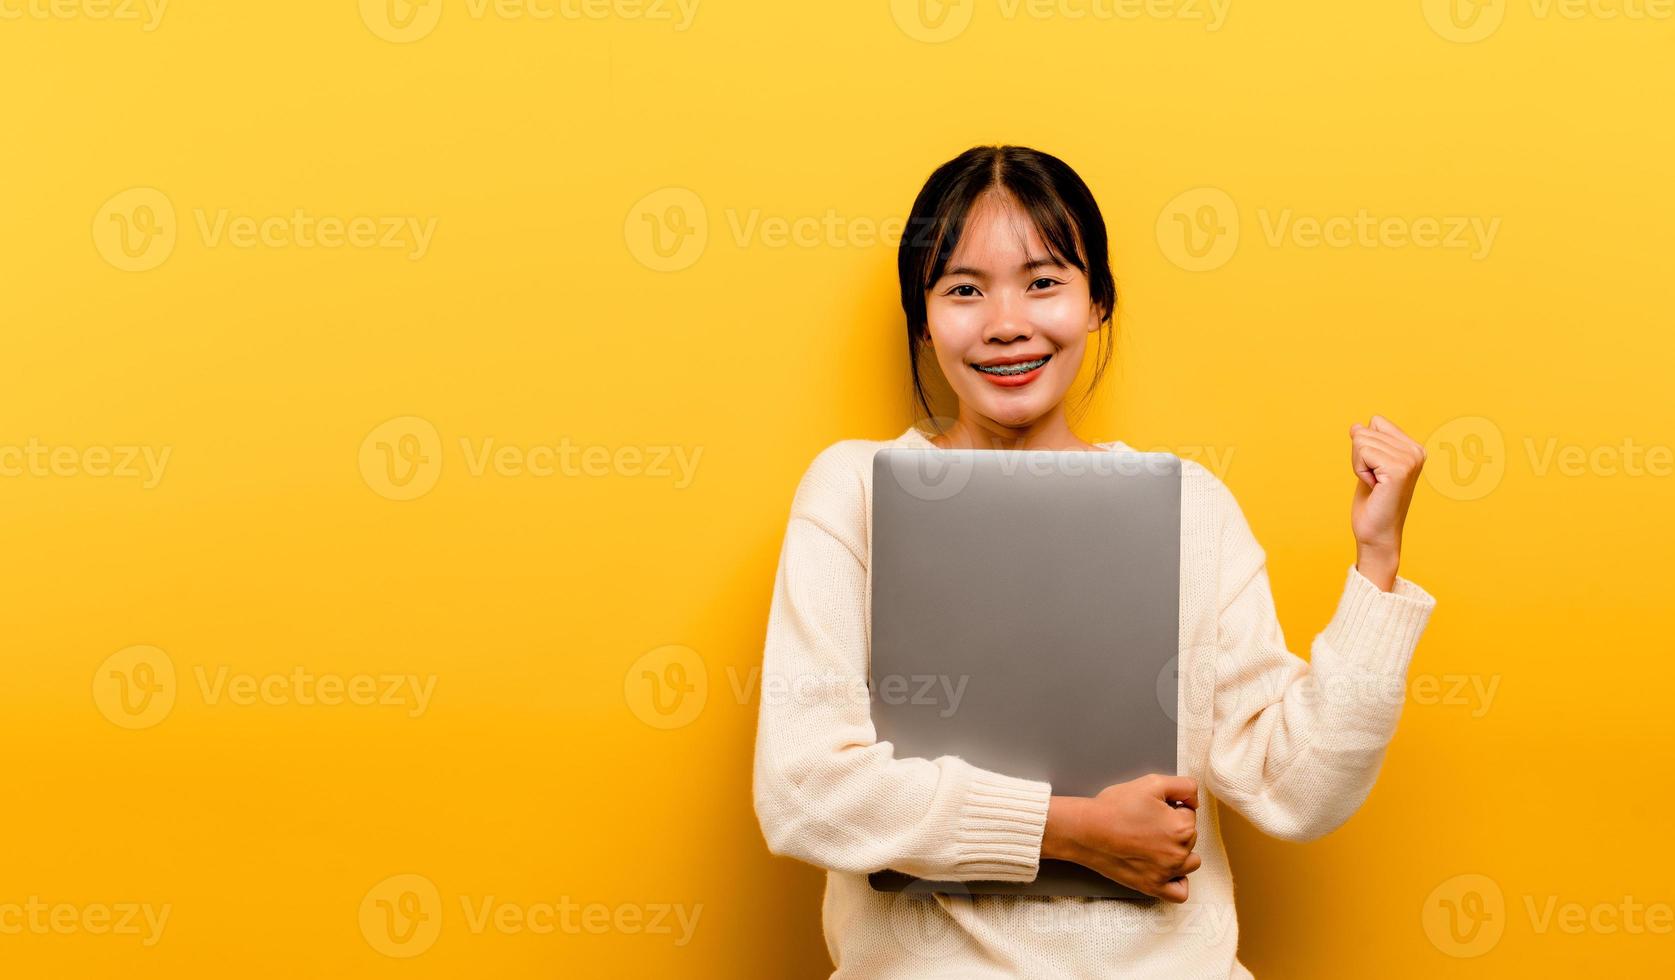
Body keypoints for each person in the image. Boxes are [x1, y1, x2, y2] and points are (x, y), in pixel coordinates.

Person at [751, 144, 1438, 978]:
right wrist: (1071, 828)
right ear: (923, 318)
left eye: (1043, 282)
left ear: (1098, 302)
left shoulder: (1191, 505)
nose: (1006, 322)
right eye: (963, 289)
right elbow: (802, 793)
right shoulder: (852, 491)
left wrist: (1376, 560)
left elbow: (1297, 789)